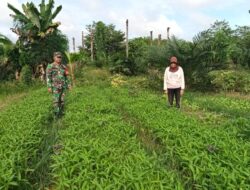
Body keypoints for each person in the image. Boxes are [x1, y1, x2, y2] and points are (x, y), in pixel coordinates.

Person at [46, 52, 71, 117]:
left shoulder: (63, 66)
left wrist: (68, 84)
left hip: (63, 86)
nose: (59, 58)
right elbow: (48, 77)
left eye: (60, 57)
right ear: (54, 58)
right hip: (55, 87)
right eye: (58, 57)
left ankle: (61, 112)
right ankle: (56, 115)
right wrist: (49, 87)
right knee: (56, 101)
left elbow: (66, 76)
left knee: (62, 100)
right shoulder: (50, 66)